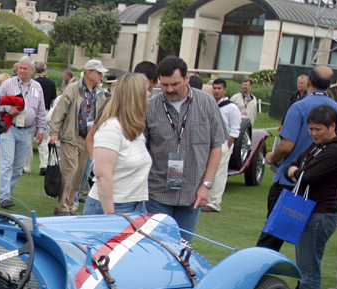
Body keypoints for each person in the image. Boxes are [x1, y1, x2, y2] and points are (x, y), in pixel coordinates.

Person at [143, 56, 226, 244]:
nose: (170, 90)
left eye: (175, 84)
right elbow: (141, 148)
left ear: (187, 78)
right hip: (156, 193)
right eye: (164, 85)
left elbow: (216, 146)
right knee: (157, 248)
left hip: (192, 194)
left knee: (183, 250)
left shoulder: (207, 103)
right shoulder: (150, 107)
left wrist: (207, 185)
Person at [261, 65, 337, 251]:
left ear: (309, 82)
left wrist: (272, 158)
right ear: (329, 85)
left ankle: (260, 277)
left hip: (291, 182)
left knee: (271, 239)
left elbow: (287, 146)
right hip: (323, 188)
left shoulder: (299, 107)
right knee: (310, 250)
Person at [282, 105, 337, 289]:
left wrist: (296, 172)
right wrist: (296, 171)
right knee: (306, 268)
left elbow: (306, 175)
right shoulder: (319, 146)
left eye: (318, 129)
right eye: (311, 129)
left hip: (320, 214)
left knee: (309, 270)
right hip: (311, 212)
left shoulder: (335, 150)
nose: (314, 133)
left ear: (332, 127)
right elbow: (293, 164)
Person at [83, 73, 150, 215]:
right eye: (146, 91)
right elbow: (102, 175)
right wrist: (111, 217)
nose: (149, 94)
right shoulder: (111, 128)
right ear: (136, 97)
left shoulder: (134, 128)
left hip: (134, 205)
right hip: (112, 207)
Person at [50, 59, 109, 216]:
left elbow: (103, 114)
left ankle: (69, 205)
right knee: (70, 170)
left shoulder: (99, 92)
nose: (101, 75)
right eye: (98, 72)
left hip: (88, 138)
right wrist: (54, 131)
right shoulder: (73, 88)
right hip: (71, 136)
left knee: (80, 174)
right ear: (89, 72)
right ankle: (62, 206)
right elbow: (60, 110)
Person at [0, 56, 46, 209]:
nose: (22, 71)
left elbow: (41, 111)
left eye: (25, 68)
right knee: (6, 163)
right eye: (20, 68)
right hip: (10, 128)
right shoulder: (8, 84)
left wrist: (41, 130)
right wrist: (7, 109)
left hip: (27, 131)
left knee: (18, 167)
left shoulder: (37, 87)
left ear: (31, 70)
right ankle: (3, 196)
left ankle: (7, 194)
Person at [202, 78, 241, 213]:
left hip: (224, 145)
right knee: (208, 172)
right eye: (215, 88)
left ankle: (214, 203)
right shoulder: (210, 104)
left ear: (224, 90)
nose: (216, 91)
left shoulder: (232, 107)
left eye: (219, 88)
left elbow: (235, 130)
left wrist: (227, 146)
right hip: (209, 145)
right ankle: (205, 199)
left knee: (219, 174)